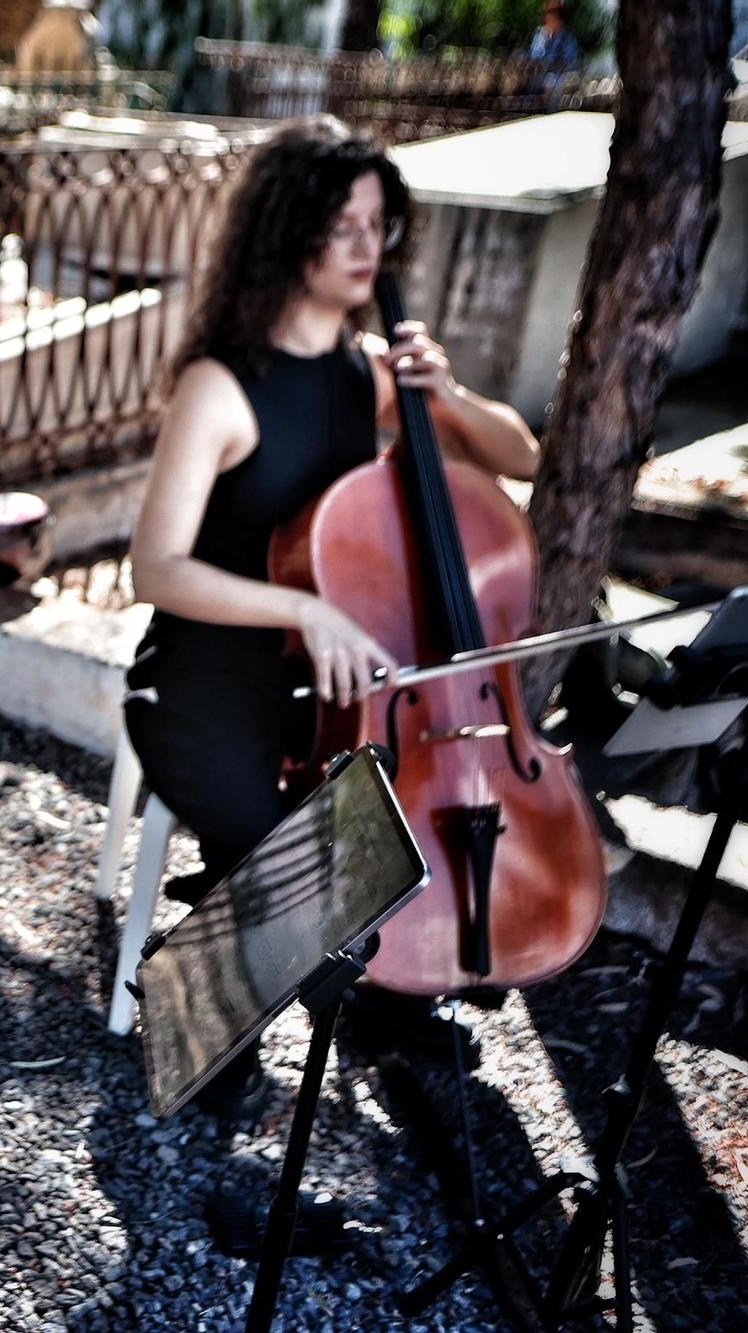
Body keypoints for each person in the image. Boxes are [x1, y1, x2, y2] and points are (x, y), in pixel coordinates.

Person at [123, 116, 541, 1114]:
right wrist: (301, 612)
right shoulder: (220, 387)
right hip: (198, 688)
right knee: (317, 864)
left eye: (376, 225)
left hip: (328, 695)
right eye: (342, 225)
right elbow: (152, 568)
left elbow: (520, 456)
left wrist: (450, 393)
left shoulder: (371, 374)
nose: (367, 248)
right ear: (285, 233)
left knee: (358, 855)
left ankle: (349, 989)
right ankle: (192, 985)